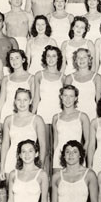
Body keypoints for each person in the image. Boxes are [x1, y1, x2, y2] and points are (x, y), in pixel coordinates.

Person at [0, 88, 46, 180]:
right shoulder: (8, 120)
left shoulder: (37, 120)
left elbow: (43, 145)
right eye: (19, 100)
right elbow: (5, 145)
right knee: (11, 192)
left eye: (25, 100)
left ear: (30, 101)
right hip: (11, 160)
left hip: (30, 160)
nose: (22, 103)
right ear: (14, 101)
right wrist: (2, 167)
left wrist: (40, 165)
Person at [32, 45, 65, 174]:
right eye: (48, 56)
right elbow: (36, 98)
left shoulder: (63, 77)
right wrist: (32, 116)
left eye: (54, 56)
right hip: (43, 114)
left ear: (58, 58)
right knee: (44, 150)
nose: (51, 59)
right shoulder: (39, 75)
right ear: (45, 58)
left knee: (56, 150)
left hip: (58, 115)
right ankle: (44, 178)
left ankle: (54, 181)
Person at [52, 85, 90, 172]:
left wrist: (81, 157)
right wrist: (56, 157)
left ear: (76, 98)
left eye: (71, 96)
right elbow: (56, 142)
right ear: (61, 97)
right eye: (65, 96)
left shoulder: (82, 116)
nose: (68, 99)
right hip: (59, 157)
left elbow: (87, 141)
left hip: (76, 156)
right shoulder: (56, 117)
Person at [0, 49, 34, 126]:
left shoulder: (31, 78)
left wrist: (31, 116)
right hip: (6, 113)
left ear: (23, 60)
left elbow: (33, 100)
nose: (14, 61)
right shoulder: (6, 79)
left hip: (23, 114)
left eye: (17, 58)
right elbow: (1, 101)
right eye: (11, 58)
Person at [64, 47, 100, 122]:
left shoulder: (96, 77)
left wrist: (98, 117)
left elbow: (99, 100)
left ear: (89, 59)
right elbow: (65, 100)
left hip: (92, 114)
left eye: (84, 57)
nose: (81, 60)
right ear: (75, 60)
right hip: (74, 116)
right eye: (78, 57)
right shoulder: (69, 78)